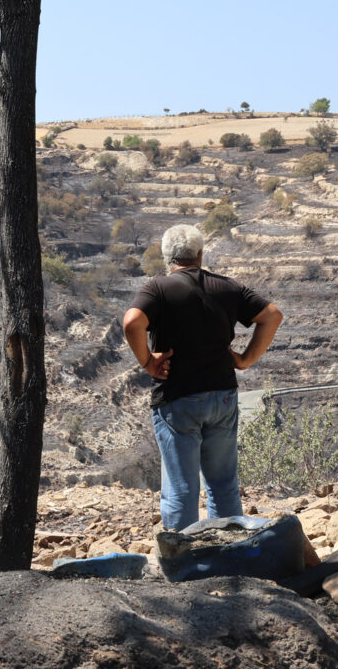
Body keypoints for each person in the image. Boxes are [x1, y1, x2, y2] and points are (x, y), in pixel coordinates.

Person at [121, 224, 283, 530]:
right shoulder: (228, 287)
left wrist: (147, 362)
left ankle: (185, 564)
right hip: (222, 396)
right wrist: (246, 359)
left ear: (167, 257)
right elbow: (272, 316)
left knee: (182, 489)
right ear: (199, 254)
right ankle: (227, 560)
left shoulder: (157, 289)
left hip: (178, 400)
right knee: (223, 484)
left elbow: (132, 322)